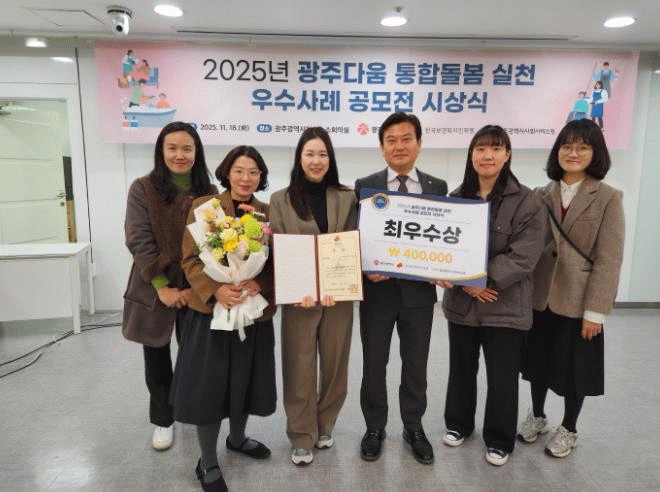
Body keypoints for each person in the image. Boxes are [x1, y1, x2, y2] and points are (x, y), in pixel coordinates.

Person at [171, 146, 276, 492]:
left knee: (245, 380)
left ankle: (238, 438)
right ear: (227, 173)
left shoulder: (266, 213)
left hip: (251, 311)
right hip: (211, 316)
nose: (246, 178)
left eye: (253, 172)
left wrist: (259, 283)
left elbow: (276, 262)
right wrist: (216, 289)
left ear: (261, 177)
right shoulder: (206, 208)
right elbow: (189, 259)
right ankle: (207, 461)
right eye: (239, 171)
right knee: (210, 388)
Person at [440, 125, 545, 466]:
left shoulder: (527, 200)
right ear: (471, 155)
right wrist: (460, 280)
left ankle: (499, 439)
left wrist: (482, 279)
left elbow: (525, 255)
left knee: (502, 376)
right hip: (463, 303)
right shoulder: (456, 197)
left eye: (495, 149)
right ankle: (458, 424)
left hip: (505, 305)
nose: (487, 156)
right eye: (481, 149)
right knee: (461, 369)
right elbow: (444, 247)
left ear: (507, 155)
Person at [519, 119, 624, 459]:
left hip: (579, 300)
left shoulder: (608, 198)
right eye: (566, 146)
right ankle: (537, 416)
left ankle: (570, 428)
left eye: (582, 147)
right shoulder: (541, 194)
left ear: (596, 153)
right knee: (536, 363)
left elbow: (610, 258)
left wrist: (596, 311)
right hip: (540, 296)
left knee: (574, 370)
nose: (573, 153)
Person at [354, 112, 447, 465]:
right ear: (382, 148)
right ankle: (374, 427)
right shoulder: (365, 185)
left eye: (407, 138)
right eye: (391, 140)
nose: (399, 146)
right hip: (377, 294)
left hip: (419, 295)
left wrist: (446, 268)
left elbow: (445, 238)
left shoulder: (437, 187)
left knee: (416, 366)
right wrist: (365, 269)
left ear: (419, 144)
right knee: (374, 365)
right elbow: (355, 237)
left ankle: (413, 427)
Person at [122, 121, 216, 452]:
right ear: (161, 151)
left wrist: (198, 286)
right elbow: (138, 238)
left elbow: (213, 243)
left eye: (187, 149)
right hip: (153, 286)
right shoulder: (142, 187)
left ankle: (189, 409)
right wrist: (162, 286)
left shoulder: (209, 192)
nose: (180, 155)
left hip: (195, 285)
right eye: (172, 148)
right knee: (157, 356)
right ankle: (163, 419)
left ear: (196, 153)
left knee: (196, 355)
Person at [269, 127, 357, 465]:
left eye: (323, 154)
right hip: (299, 299)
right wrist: (292, 288)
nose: (316, 161)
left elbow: (352, 242)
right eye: (310, 154)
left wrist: (341, 283)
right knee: (299, 366)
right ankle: (301, 434)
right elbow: (278, 249)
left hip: (338, 298)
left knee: (335, 365)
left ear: (330, 159)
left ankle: (325, 424)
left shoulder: (346, 197)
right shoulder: (280, 199)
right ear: (299, 158)